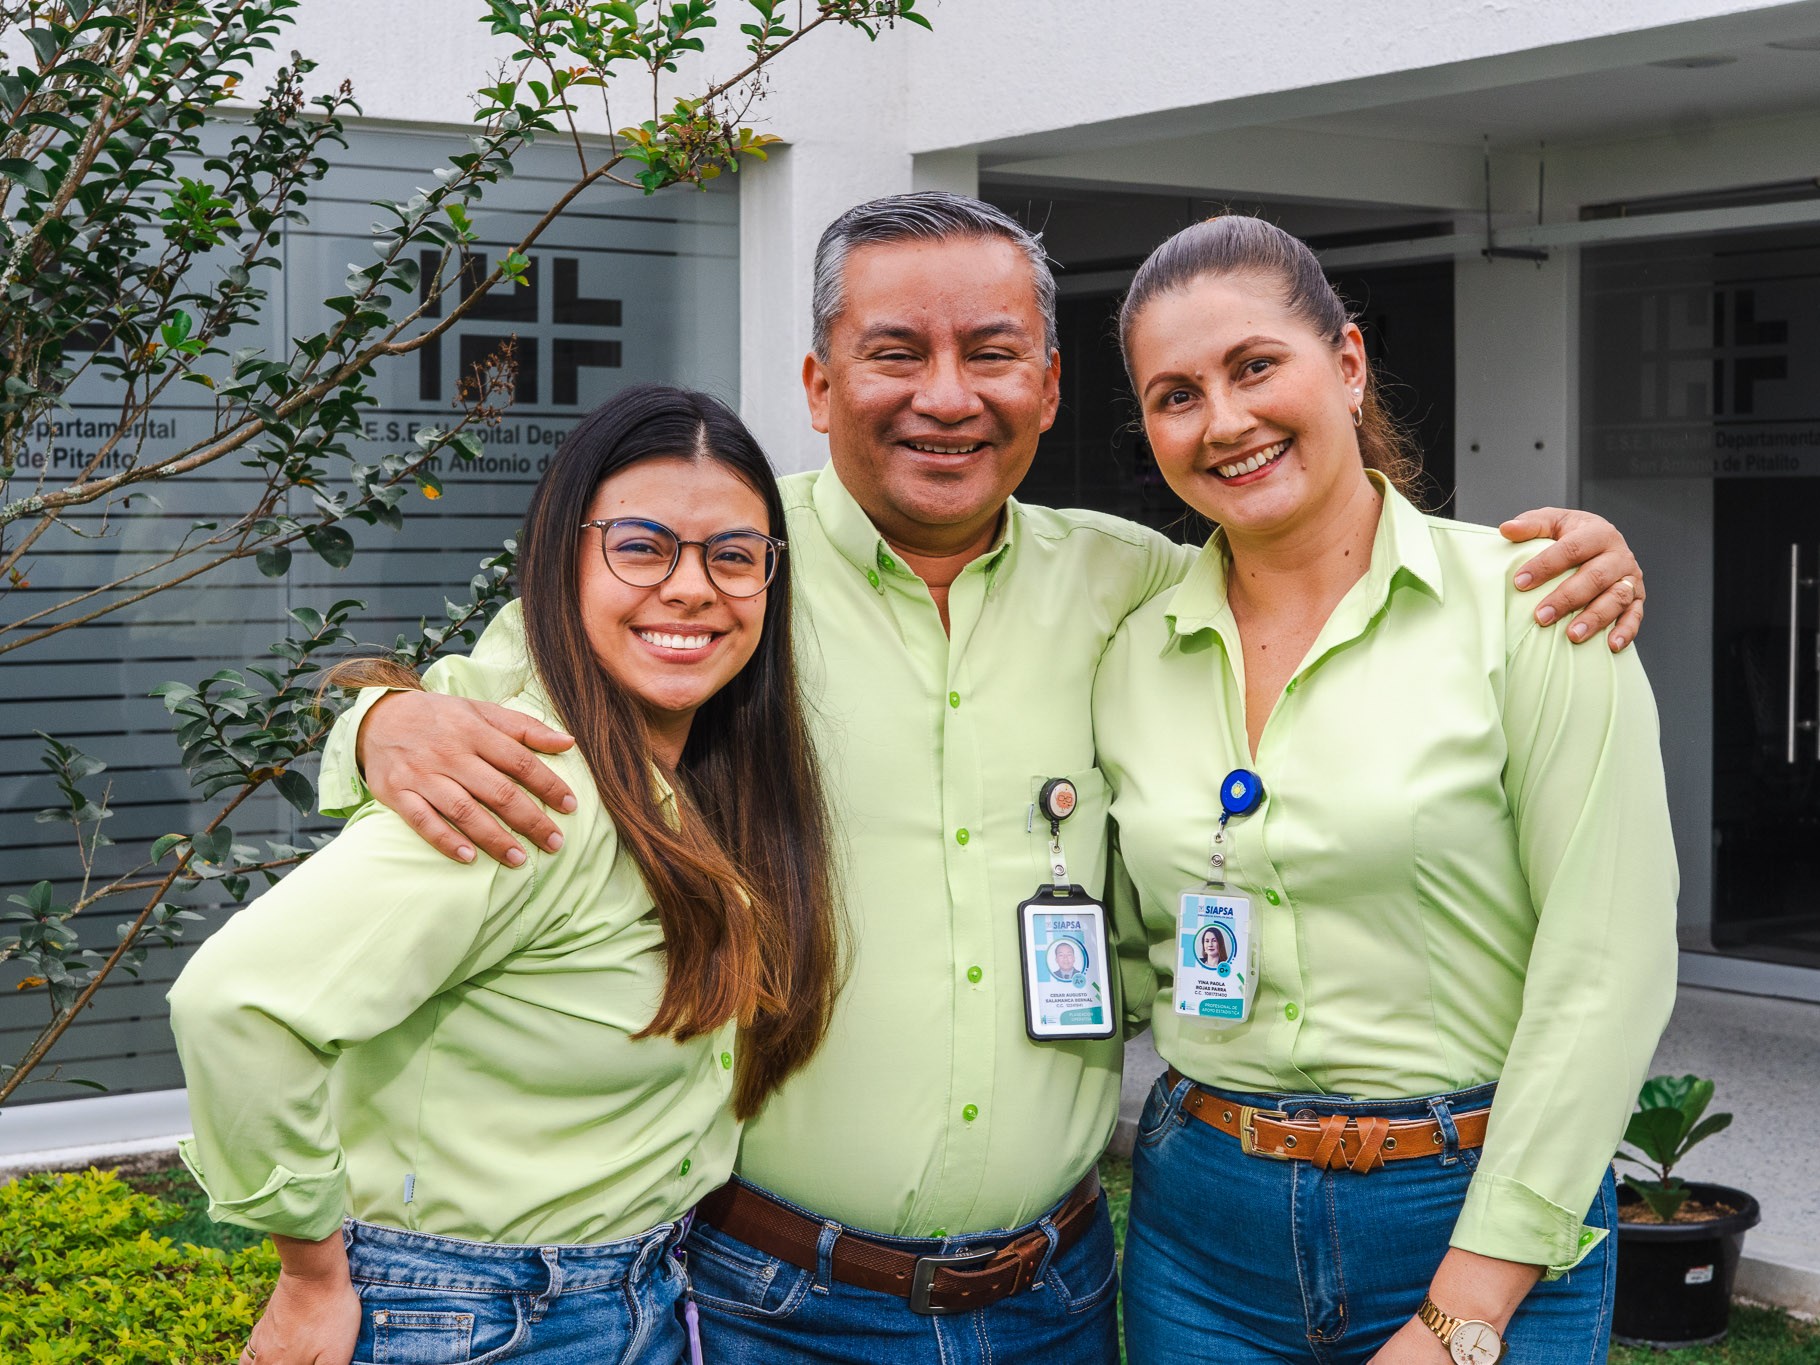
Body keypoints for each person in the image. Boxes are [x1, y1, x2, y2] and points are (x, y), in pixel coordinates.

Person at [316, 194, 1650, 1364]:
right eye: (895, 353)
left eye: (991, 352)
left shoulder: (1132, 588)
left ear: (1052, 389)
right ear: (819, 382)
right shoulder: (716, 571)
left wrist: (1583, 556)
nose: (946, 395)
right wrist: (383, 720)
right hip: (778, 1289)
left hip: (1058, 1292)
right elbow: (478, 719)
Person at [1092, 216, 1678, 1364]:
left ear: (1347, 365)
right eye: (1175, 394)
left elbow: (1604, 967)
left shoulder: (1535, 607)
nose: (1224, 421)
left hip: (1476, 1211)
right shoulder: (1128, 651)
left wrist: (1464, 1307)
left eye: (1255, 367)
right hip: (1200, 1225)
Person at [168, 386, 840, 1365]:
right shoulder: (522, 790)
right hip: (485, 1316)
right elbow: (237, 1002)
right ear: (562, 558)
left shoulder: (688, 774)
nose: (693, 587)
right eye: (642, 546)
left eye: (732, 556)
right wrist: (310, 1269)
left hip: (624, 1287)